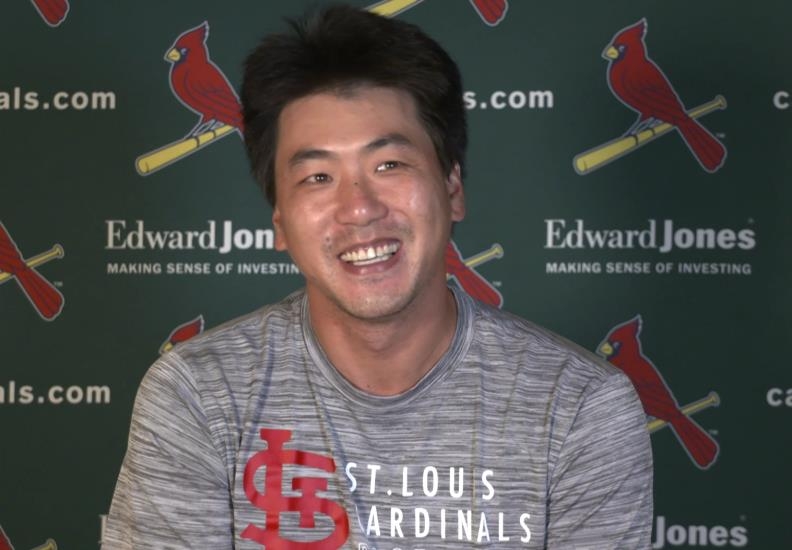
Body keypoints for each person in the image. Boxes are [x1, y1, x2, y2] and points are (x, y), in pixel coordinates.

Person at [103, 5, 652, 549]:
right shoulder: (197, 395)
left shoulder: (581, 408)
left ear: (452, 189)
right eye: (318, 177)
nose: (359, 208)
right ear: (280, 222)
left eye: (389, 165)